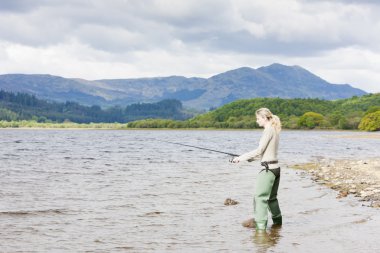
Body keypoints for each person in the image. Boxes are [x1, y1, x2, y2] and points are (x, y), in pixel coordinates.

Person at [232, 108, 282, 231]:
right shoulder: (274, 129)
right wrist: (249, 159)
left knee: (260, 198)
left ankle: (260, 230)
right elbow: (264, 153)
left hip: (268, 170)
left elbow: (259, 151)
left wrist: (241, 158)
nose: (256, 121)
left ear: (264, 118)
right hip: (275, 168)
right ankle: (278, 224)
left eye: (258, 118)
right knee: (272, 198)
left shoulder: (268, 130)